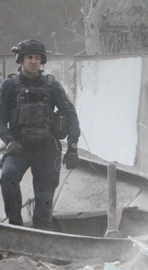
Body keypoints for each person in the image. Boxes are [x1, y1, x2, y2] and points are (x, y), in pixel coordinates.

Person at [0, 39, 80, 230]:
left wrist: (73, 146)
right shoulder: (9, 85)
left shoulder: (52, 85)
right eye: (29, 57)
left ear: (41, 61)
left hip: (46, 148)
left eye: (37, 58)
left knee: (44, 197)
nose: (33, 61)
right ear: (20, 60)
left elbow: (70, 114)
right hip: (20, 146)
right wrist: (9, 141)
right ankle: (16, 228)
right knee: (8, 176)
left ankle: (41, 235)